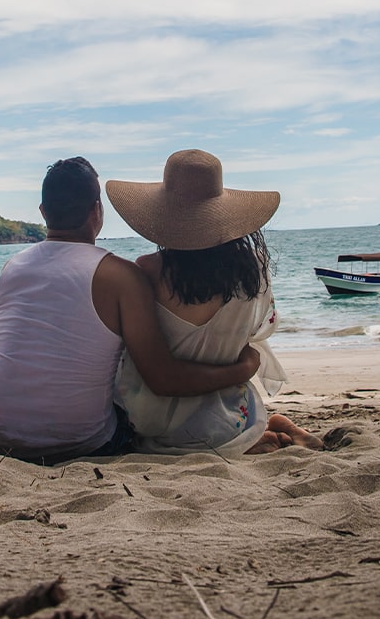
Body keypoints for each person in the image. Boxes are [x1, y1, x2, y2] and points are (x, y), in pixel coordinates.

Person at [0, 157, 259, 465]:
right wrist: (242, 370)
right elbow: (163, 379)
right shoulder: (121, 276)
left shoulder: (11, 268)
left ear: (43, 212)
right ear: (96, 211)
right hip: (81, 443)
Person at [107, 149, 322, 456]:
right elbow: (258, 333)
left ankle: (267, 434)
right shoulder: (255, 269)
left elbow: (146, 363)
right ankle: (266, 429)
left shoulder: (148, 270)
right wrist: (241, 363)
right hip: (232, 409)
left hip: (158, 421)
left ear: (164, 215)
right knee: (221, 429)